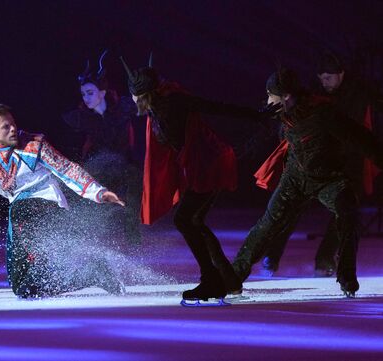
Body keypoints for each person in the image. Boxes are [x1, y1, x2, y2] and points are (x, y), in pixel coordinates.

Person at [120, 53, 271, 304]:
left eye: (133, 94)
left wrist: (256, 115)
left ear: (141, 94)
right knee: (195, 221)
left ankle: (211, 280)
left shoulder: (173, 100)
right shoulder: (157, 108)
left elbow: (215, 106)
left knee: (185, 219)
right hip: (201, 165)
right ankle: (227, 279)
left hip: (209, 165)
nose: (132, 99)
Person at [0, 104, 126, 298]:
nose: (13, 129)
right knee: (23, 288)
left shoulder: (34, 145)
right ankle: (92, 274)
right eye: (6, 127)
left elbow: (67, 169)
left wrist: (98, 192)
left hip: (47, 205)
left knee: (20, 207)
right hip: (20, 219)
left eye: (13, 124)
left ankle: (41, 254)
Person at [233, 68, 383, 297]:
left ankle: (346, 277)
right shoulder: (277, 112)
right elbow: (258, 138)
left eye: (270, 95)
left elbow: (360, 137)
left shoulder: (323, 113)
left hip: (329, 179)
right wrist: (235, 155)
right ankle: (233, 277)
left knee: (348, 213)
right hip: (294, 179)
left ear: (286, 96)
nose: (268, 100)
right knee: (268, 224)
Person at [62, 50, 143, 245]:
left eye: (90, 93)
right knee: (95, 202)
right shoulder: (82, 117)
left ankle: (133, 242)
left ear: (103, 93)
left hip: (125, 165)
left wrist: (139, 88)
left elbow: (140, 102)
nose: (86, 98)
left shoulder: (122, 108)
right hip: (100, 169)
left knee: (131, 201)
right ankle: (91, 241)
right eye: (83, 94)